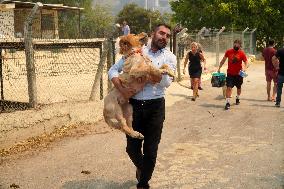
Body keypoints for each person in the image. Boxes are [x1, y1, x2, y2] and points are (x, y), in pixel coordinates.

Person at [108, 24, 176, 189]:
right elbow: (113, 70)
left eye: (167, 35)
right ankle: (143, 168)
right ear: (153, 33)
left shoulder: (170, 57)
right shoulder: (137, 51)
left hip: (156, 107)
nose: (164, 37)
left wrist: (148, 74)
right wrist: (122, 89)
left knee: (151, 150)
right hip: (134, 106)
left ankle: (143, 183)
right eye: (161, 33)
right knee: (132, 149)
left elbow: (166, 82)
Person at [218, 39, 248, 110]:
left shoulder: (242, 53)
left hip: (239, 74)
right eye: (235, 43)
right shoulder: (228, 52)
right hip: (230, 73)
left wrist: (244, 68)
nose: (236, 45)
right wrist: (219, 67)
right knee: (229, 87)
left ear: (240, 46)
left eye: (237, 44)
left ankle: (237, 97)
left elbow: (246, 62)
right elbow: (223, 60)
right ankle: (227, 103)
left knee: (239, 87)